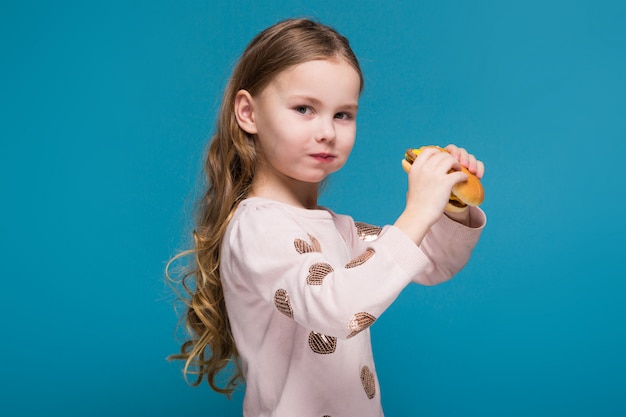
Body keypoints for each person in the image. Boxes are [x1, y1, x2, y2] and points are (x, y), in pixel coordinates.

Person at [167, 17, 486, 417]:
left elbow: (433, 262)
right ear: (248, 113)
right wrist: (418, 209)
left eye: (343, 114)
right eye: (304, 108)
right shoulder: (255, 226)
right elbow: (338, 308)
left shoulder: (339, 230)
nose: (327, 132)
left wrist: (449, 205)